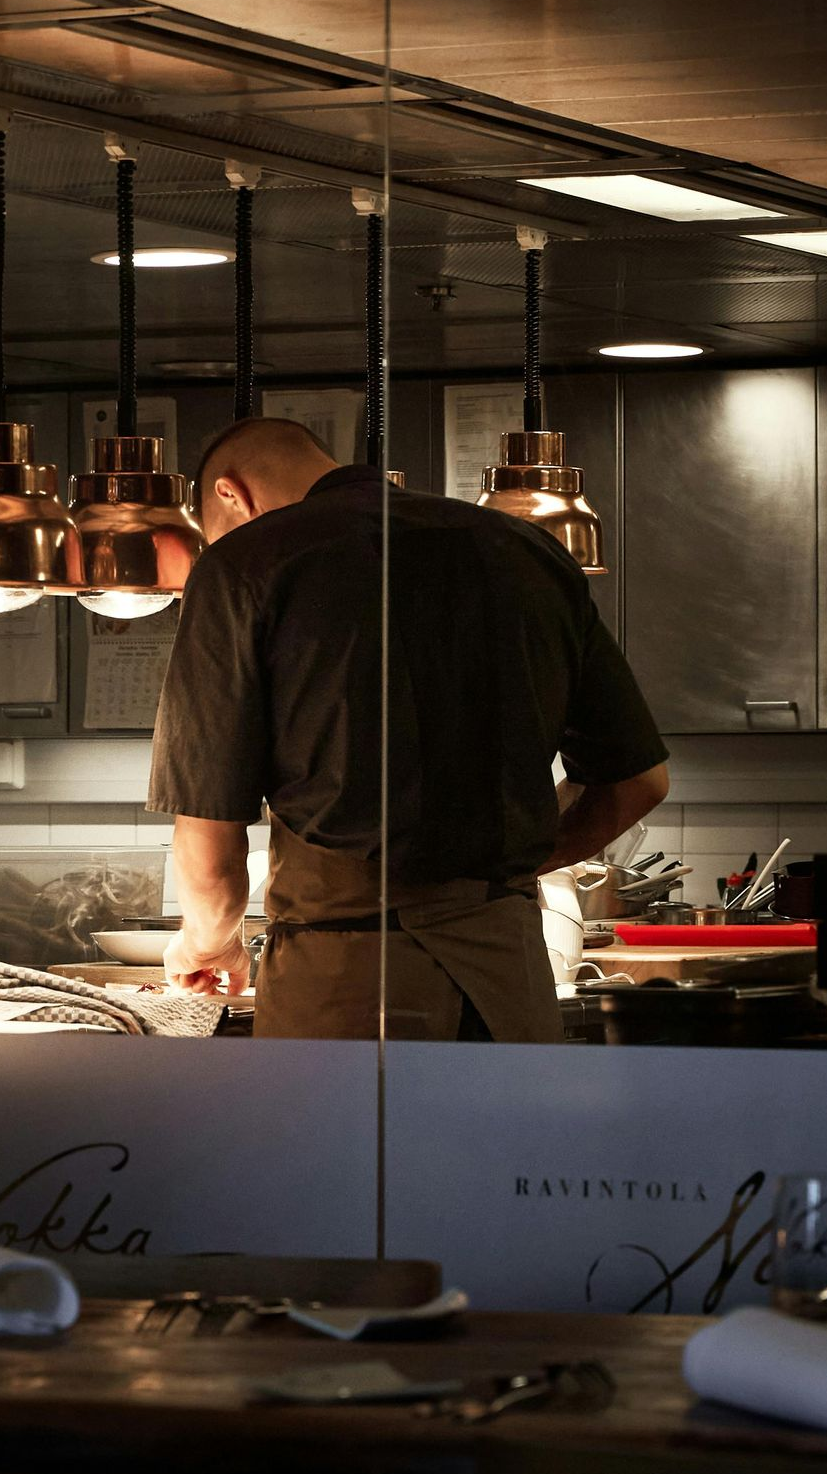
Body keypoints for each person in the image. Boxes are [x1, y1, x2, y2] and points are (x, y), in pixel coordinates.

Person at [147, 418, 670, 1040]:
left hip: (347, 988)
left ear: (232, 495)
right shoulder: (529, 550)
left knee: (345, 1141)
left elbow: (210, 840)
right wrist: (494, 873)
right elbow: (639, 783)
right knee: (508, 1140)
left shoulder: (243, 564)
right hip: (513, 985)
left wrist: (205, 945)